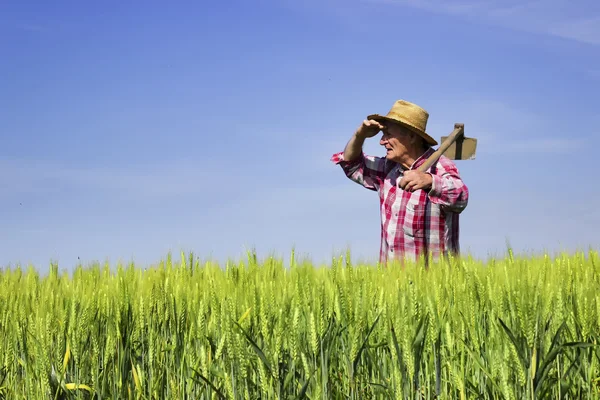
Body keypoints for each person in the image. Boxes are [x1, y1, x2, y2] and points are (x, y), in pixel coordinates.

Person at [330, 99, 469, 266]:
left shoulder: (439, 166)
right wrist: (359, 135)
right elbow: (351, 164)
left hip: (431, 285)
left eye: (388, 134)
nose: (382, 141)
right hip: (393, 285)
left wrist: (430, 181)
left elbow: (461, 197)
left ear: (411, 136)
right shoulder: (387, 170)